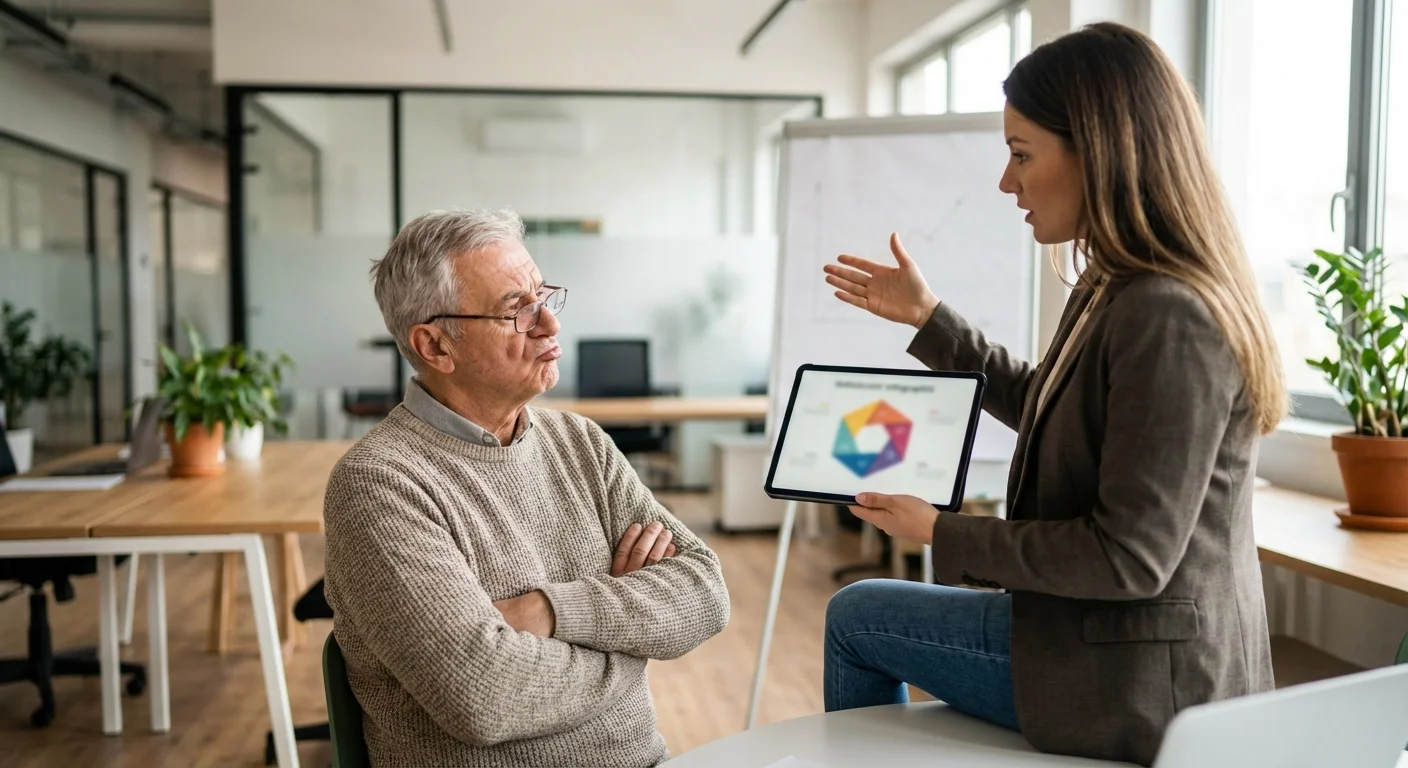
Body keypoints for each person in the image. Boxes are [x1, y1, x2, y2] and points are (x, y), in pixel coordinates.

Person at [819, 22, 1286, 767]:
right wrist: (929, 321)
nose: (1008, 183)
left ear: (1097, 151)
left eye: (1021, 155)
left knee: (856, 616)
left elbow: (1128, 558)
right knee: (863, 609)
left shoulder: (1169, 313)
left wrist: (941, 532)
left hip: (1140, 684)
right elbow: (1053, 406)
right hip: (1111, 641)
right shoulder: (1115, 282)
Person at [323, 208, 731, 767]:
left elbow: (704, 590)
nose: (550, 325)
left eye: (543, 296)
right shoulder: (379, 484)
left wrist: (550, 611)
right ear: (437, 346)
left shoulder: (579, 441)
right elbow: (484, 696)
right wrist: (632, 642)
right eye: (516, 309)